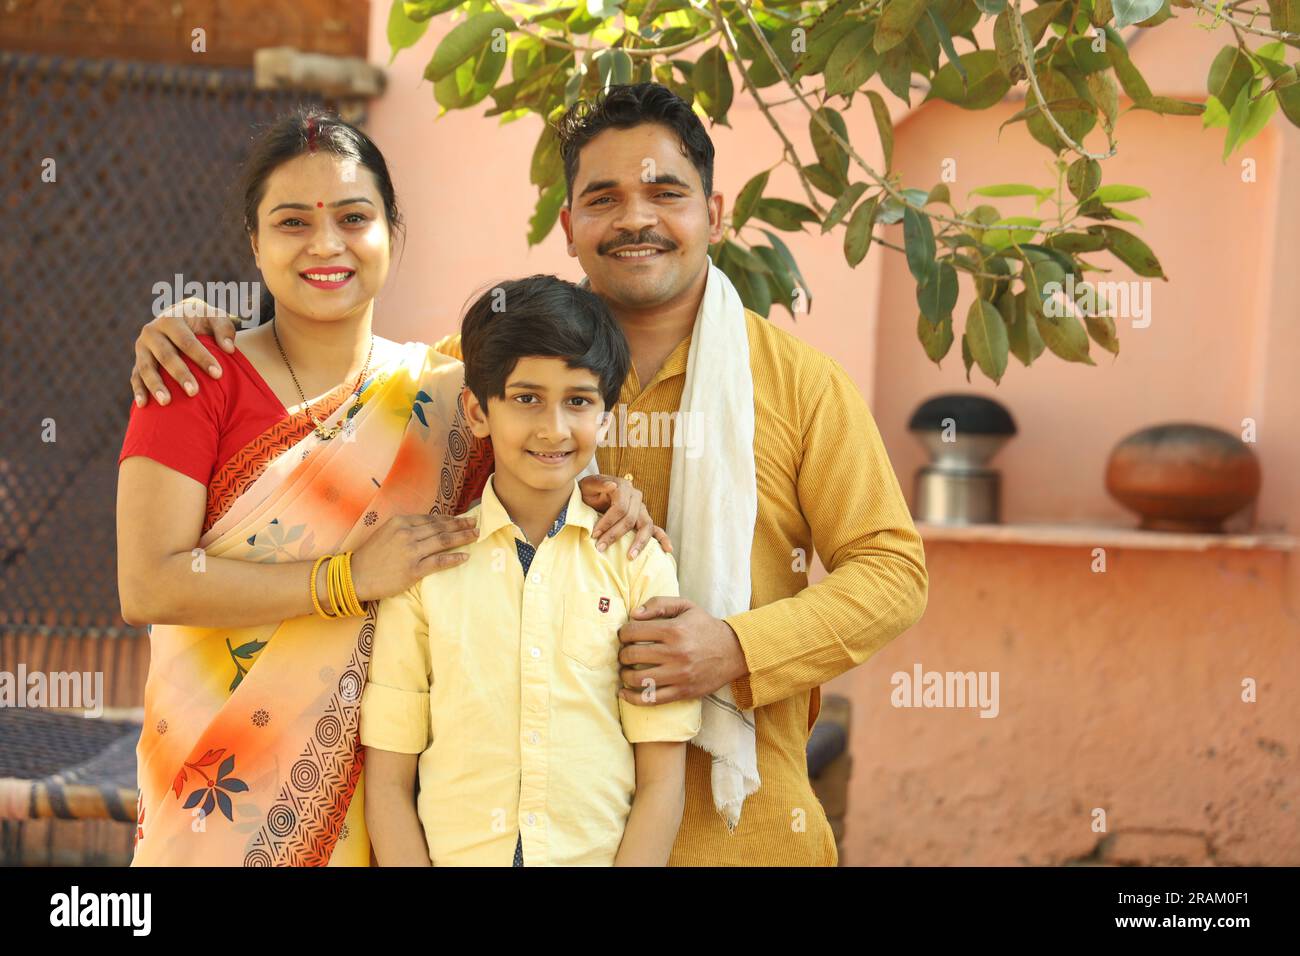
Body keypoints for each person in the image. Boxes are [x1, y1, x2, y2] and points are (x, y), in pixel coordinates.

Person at [127, 83, 929, 866]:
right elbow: (357, 399)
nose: (637, 218)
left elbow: (894, 572)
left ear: (713, 214)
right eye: (604, 198)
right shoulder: (478, 375)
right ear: (571, 225)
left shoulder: (797, 386)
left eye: (666, 192)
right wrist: (195, 328)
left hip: (738, 829)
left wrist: (733, 649)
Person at [116, 108, 663, 866]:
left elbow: (543, 446)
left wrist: (612, 493)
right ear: (254, 241)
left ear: (390, 230)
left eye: (353, 217)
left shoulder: (442, 396)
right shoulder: (193, 379)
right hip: (215, 790)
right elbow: (150, 584)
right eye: (292, 221)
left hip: (374, 812)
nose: (326, 244)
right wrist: (347, 580)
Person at [362, 275, 701, 866]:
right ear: (477, 410)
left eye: (578, 400)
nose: (554, 427)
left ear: (605, 415)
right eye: (526, 398)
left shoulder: (636, 561)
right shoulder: (426, 572)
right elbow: (389, 781)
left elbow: (661, 780)